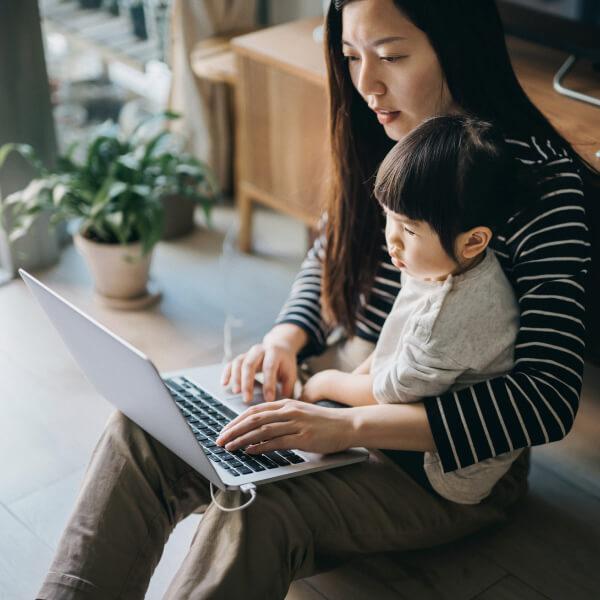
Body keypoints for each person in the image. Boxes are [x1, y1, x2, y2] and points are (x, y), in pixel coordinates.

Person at [39, 1, 595, 598]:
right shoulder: (388, 130)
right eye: (351, 57)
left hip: (439, 465)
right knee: (142, 428)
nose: (366, 84)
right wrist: (287, 337)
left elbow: (547, 398)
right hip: (342, 384)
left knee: (256, 506)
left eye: (392, 56)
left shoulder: (540, 183)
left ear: (458, 46)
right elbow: (330, 253)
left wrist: (348, 424)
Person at [300, 114, 526, 505]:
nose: (391, 241)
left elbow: (387, 396)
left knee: (309, 465)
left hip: (448, 469)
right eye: (388, 216)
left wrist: (323, 385)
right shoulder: (444, 263)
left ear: (473, 241)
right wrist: (345, 383)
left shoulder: (449, 318)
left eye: (408, 229)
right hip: (418, 395)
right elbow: (395, 336)